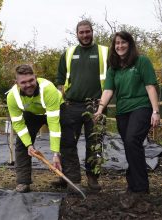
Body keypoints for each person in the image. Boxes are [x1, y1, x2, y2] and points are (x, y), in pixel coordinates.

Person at [95, 31, 159, 197]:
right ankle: (133, 185)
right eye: (117, 43)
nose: (120, 46)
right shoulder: (113, 67)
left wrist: (155, 111)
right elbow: (108, 90)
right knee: (130, 146)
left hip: (141, 107)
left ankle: (140, 188)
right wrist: (100, 109)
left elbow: (150, 86)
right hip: (122, 111)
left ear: (129, 44)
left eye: (123, 42)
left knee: (132, 140)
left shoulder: (141, 61)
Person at [54, 20, 109, 191]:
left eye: (87, 31)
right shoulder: (69, 53)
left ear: (93, 32)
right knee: (68, 143)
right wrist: (61, 102)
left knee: (95, 143)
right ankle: (69, 178)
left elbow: (113, 78)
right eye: (81, 32)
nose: (85, 35)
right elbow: (60, 80)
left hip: (96, 106)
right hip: (72, 105)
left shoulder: (104, 52)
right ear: (76, 34)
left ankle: (92, 178)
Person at [7, 64, 64, 193]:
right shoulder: (12, 97)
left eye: (31, 80)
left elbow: (54, 124)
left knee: (65, 141)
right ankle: (23, 182)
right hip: (32, 113)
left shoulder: (48, 89)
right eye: (23, 82)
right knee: (21, 144)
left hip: (55, 109)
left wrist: (55, 153)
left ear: (36, 77)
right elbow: (18, 124)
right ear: (16, 83)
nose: (28, 85)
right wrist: (29, 145)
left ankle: (67, 179)